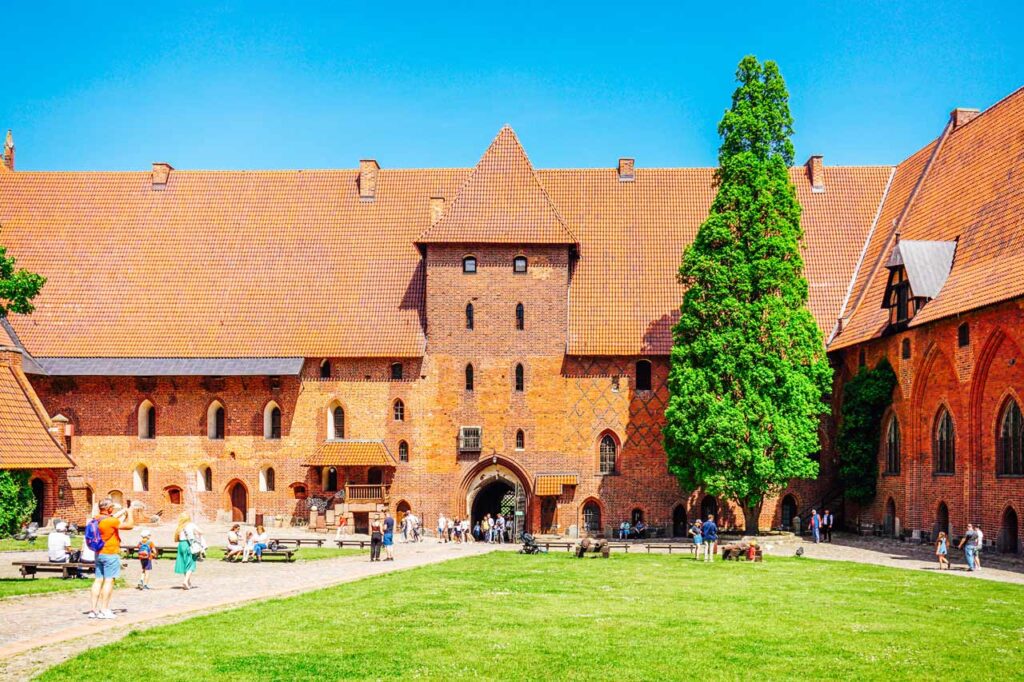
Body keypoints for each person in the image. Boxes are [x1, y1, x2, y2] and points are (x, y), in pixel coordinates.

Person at [88, 498, 134, 619]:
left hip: (98, 553)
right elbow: (130, 526)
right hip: (110, 553)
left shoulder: (96, 518)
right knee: (109, 580)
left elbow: (112, 517)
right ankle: (104, 609)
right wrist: (130, 513)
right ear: (108, 509)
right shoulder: (111, 521)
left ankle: (93, 610)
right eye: (112, 507)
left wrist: (123, 511)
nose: (113, 509)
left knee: (98, 580)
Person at [173, 512, 201, 590]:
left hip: (181, 544)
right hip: (189, 544)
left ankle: (188, 582)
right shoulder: (191, 525)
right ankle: (185, 581)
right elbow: (201, 532)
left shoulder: (180, 527)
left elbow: (177, 538)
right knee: (191, 563)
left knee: (185, 563)